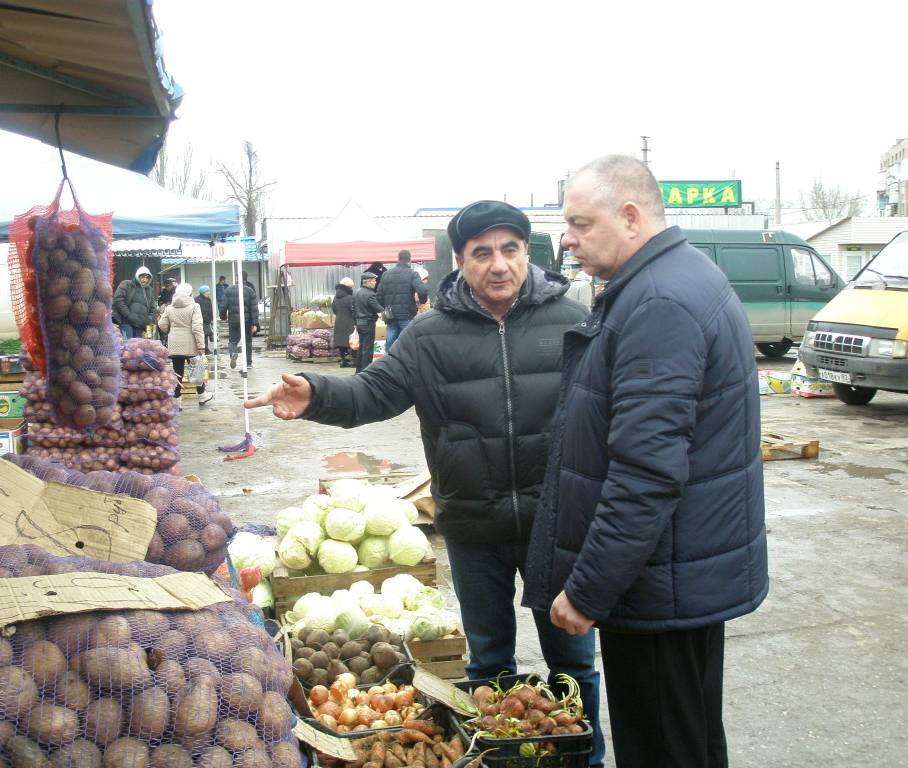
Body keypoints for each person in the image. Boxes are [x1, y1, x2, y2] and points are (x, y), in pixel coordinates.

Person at [246, 200, 604, 765]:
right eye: (482, 252)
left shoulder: (573, 319)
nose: (499, 264)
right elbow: (372, 391)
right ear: (460, 260)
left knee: (574, 665)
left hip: (555, 527)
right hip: (472, 526)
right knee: (487, 665)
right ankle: (497, 759)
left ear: (526, 255)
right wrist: (315, 393)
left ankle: (584, 759)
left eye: (510, 249)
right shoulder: (430, 334)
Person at [523, 155, 768, 768]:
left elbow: (646, 472)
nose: (567, 240)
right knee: (688, 738)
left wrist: (587, 591)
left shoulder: (658, 301)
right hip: (674, 572)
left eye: (580, 223)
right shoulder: (675, 278)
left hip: (658, 583)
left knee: (661, 747)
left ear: (631, 216)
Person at [157, 282, 212, 405]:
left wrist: (172, 331)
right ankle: (202, 395)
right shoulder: (194, 306)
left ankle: (177, 400)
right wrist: (201, 345)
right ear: (190, 294)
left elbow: (161, 324)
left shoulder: (170, 308)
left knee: (177, 372)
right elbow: (197, 327)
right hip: (190, 344)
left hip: (175, 344)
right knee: (196, 370)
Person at [374, 249, 427, 351]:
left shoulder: (386, 274)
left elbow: (379, 296)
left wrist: (386, 307)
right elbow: (422, 290)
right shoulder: (412, 274)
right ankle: (405, 364)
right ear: (409, 260)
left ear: (398, 259)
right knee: (407, 343)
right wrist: (422, 301)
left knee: (390, 343)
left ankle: (388, 363)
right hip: (407, 314)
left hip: (390, 315)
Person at [112, 265, 157, 340]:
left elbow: (153, 308)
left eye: (147, 278)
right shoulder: (127, 284)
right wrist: (127, 314)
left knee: (137, 349)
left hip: (140, 325)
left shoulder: (149, 291)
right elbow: (118, 299)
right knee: (127, 346)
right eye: (142, 277)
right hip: (126, 322)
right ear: (137, 276)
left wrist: (148, 319)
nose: (144, 280)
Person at [223, 278, 259, 369]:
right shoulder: (250, 291)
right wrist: (254, 323)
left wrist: (223, 317)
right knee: (248, 341)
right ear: (245, 281)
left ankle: (233, 353)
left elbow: (223, 306)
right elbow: (254, 308)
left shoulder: (228, 290)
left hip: (233, 320)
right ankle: (248, 363)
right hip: (247, 320)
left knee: (233, 340)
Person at [352, 271, 382, 373]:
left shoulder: (356, 292)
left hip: (359, 323)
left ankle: (358, 370)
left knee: (361, 347)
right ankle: (366, 371)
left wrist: (355, 321)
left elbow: (353, 308)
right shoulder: (370, 294)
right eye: (373, 281)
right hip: (368, 323)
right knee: (368, 348)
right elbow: (378, 308)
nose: (375, 283)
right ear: (367, 282)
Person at [331, 277, 356, 368]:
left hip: (339, 320)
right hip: (350, 321)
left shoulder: (335, 298)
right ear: (349, 287)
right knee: (353, 340)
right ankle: (354, 360)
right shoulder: (351, 298)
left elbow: (334, 309)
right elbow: (354, 310)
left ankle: (343, 360)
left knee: (341, 341)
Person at [156, 275, 177, 344]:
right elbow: (160, 300)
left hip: (173, 311)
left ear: (171, 285)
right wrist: (162, 303)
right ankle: (163, 340)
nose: (167, 288)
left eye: (168, 286)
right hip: (164, 311)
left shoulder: (175, 291)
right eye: (166, 286)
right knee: (161, 325)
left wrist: (170, 303)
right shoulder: (163, 292)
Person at [195, 285, 216, 353]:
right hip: (200, 320)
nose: (208, 292)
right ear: (203, 292)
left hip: (207, 320)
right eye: (207, 291)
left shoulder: (208, 299)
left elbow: (210, 310)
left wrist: (211, 319)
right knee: (201, 335)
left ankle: (206, 348)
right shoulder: (197, 299)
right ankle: (201, 349)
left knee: (206, 335)